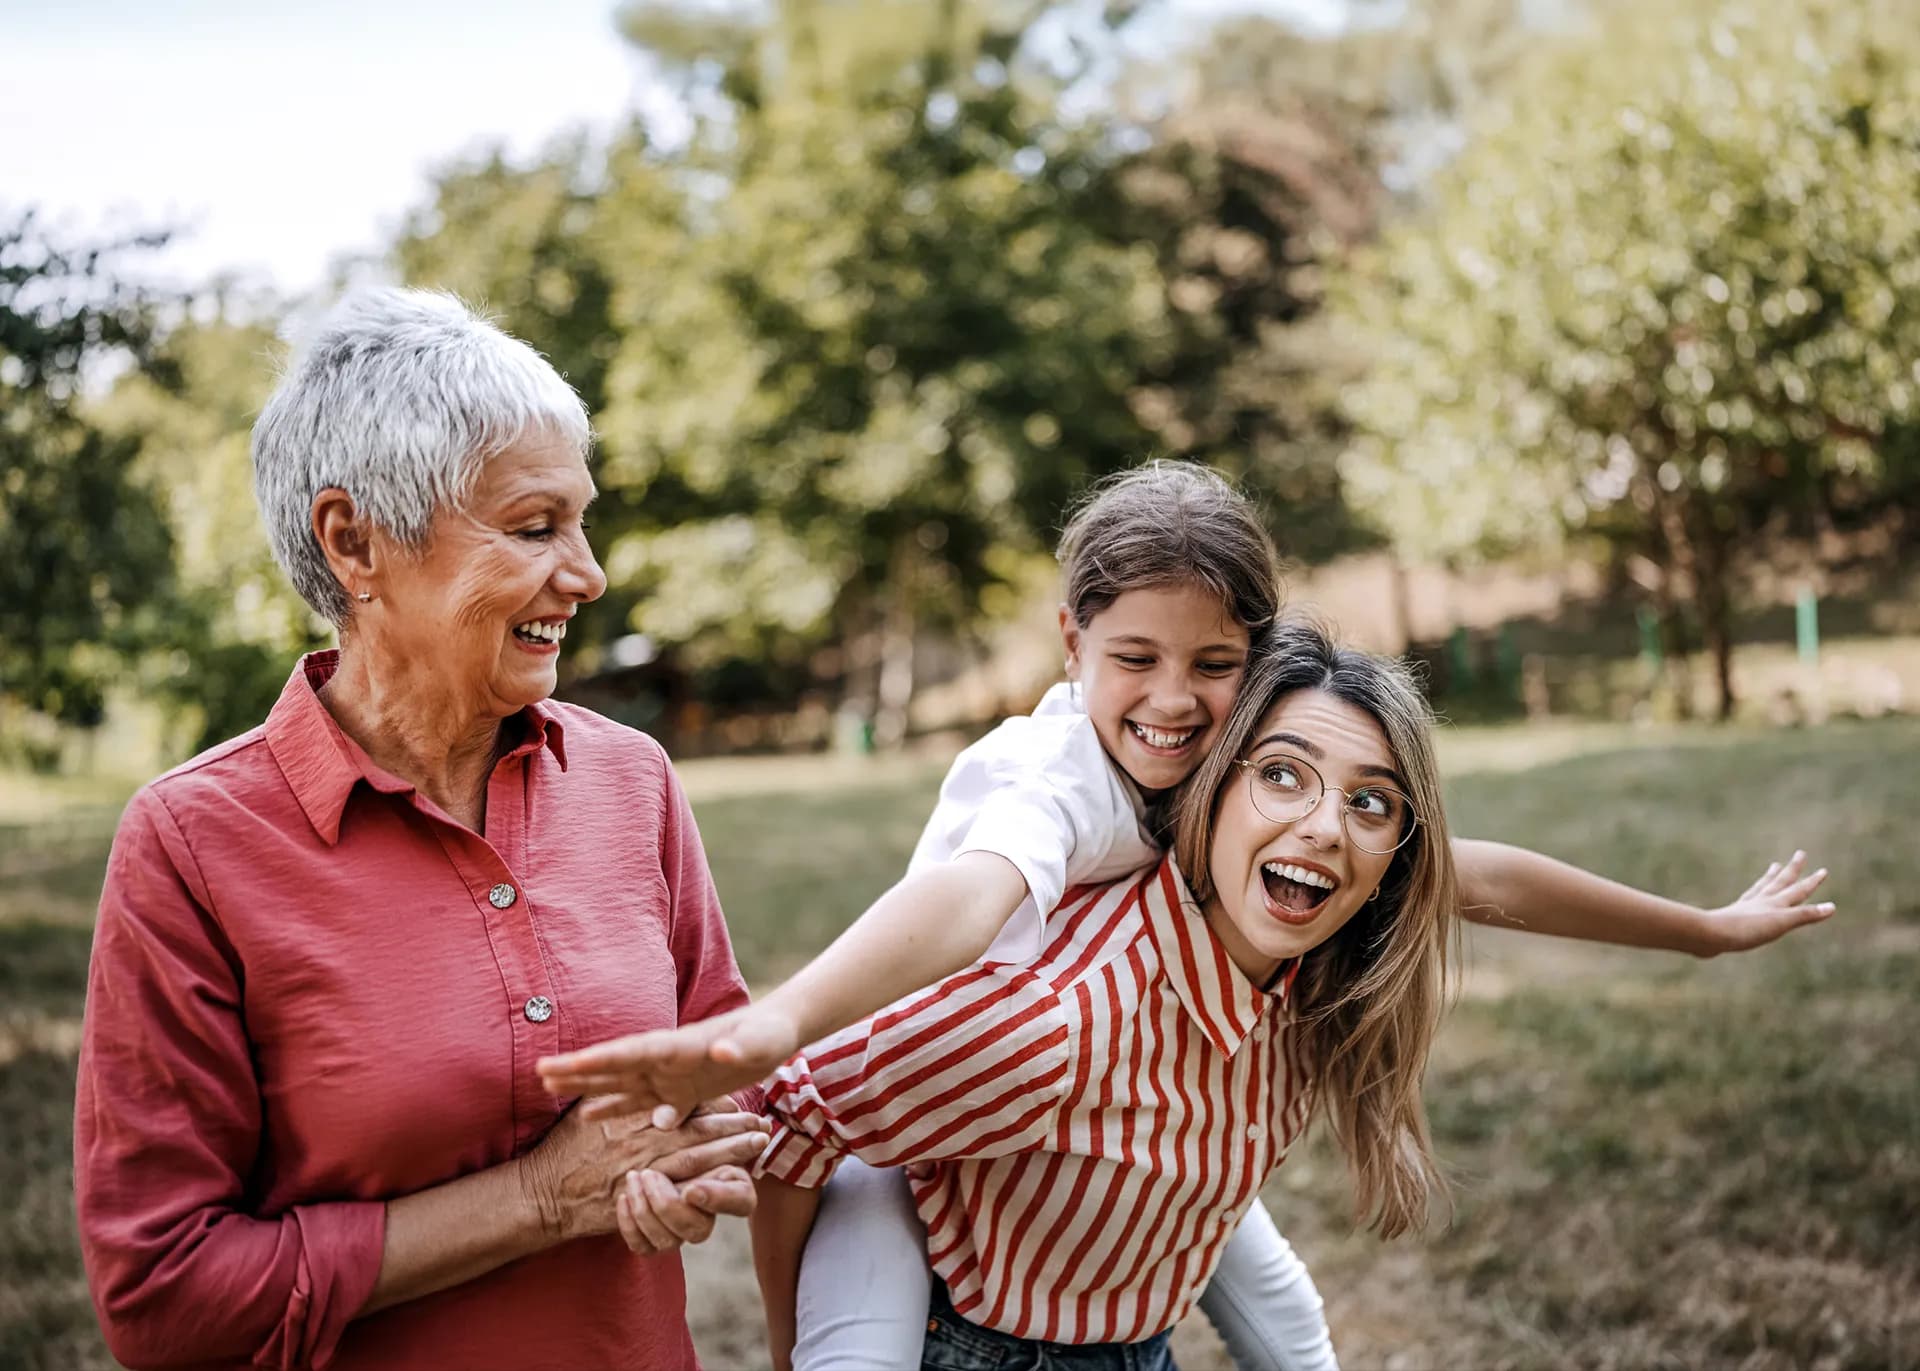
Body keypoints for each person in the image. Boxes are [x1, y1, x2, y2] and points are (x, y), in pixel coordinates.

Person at [539, 464, 1832, 1370]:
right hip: (927, 1100)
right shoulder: (1056, 785)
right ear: (1071, 645)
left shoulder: (1227, 774)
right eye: (1136, 661)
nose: (1172, 698)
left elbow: (1469, 868)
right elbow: (971, 895)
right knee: (857, 1341)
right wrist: (778, 1021)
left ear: (1259, 662)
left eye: (1216, 666)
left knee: (1273, 1293)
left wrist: (1704, 927)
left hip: (1132, 1118)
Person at [750, 623, 1831, 1368]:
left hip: (1138, 1336)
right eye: (1281, 774)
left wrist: (1706, 933)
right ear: (1207, 791)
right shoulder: (1062, 1020)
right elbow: (799, 1113)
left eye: (1372, 803)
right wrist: (792, 1335)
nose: (1326, 826)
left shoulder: (1315, 965)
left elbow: (1489, 876)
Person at [73, 288, 767, 1371]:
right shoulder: (192, 843)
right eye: (535, 528)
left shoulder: (631, 778)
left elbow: (726, 1067)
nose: (587, 574)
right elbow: (163, 1300)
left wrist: (702, 1149)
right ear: (355, 543)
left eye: (581, 522)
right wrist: (542, 1197)